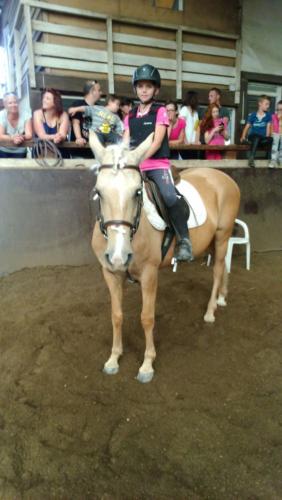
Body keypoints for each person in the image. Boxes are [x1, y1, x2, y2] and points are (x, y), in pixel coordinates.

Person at [123, 63, 193, 262]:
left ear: (156, 89)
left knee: (170, 196)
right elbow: (126, 141)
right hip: (135, 166)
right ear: (135, 88)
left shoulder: (160, 111)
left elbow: (156, 140)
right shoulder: (130, 114)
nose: (144, 90)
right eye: (140, 86)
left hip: (156, 166)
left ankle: (185, 241)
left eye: (148, 86)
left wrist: (139, 158)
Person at [240, 95, 272, 168]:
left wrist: (267, 138)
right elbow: (247, 127)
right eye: (266, 104)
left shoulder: (268, 116)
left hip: (262, 138)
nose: (268, 106)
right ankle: (251, 159)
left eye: (269, 104)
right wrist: (243, 136)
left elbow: (268, 128)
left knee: (270, 139)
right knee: (256, 136)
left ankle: (269, 159)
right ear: (260, 103)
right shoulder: (253, 115)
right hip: (253, 137)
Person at [70, 80, 102, 153]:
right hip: (80, 150)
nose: (101, 93)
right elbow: (75, 123)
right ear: (92, 91)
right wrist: (79, 138)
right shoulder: (78, 104)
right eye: (99, 90)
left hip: (95, 152)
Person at [0, 92, 32, 158]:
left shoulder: (26, 114)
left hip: (20, 150)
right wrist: (13, 138)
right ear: (5, 105)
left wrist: (20, 137)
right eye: (10, 103)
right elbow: (0, 136)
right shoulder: (1, 115)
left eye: (15, 102)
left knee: (20, 168)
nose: (13, 105)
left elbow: (29, 135)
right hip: (3, 149)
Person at [179, 91, 200, 159]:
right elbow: (181, 126)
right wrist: (185, 141)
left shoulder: (196, 113)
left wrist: (196, 141)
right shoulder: (184, 109)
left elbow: (197, 128)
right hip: (185, 144)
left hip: (193, 145)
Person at [269, 100, 282, 168]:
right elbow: (271, 125)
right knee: (274, 147)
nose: (279, 111)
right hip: (275, 133)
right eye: (278, 109)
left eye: (281, 109)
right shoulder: (273, 116)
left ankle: (280, 160)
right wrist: (271, 133)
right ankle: (273, 161)